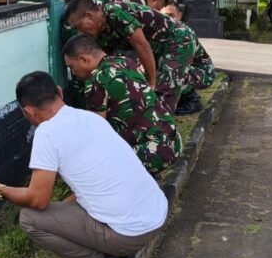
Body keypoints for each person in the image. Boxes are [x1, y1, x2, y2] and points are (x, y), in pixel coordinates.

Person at [0, 71, 167, 258]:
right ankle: (109, 247)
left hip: (130, 235)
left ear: (28, 111)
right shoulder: (90, 118)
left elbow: (38, 200)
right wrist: (60, 215)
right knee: (63, 207)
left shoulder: (47, 134)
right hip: (155, 215)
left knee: (28, 217)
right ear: (59, 91)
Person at [66, 0, 203, 113]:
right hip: (157, 46)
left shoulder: (115, 12)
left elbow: (142, 47)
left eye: (78, 26)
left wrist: (152, 84)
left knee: (163, 93)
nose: (80, 32)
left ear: (89, 16)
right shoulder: (99, 33)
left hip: (177, 39)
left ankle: (170, 121)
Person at [62, 34, 182, 174]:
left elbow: (97, 133)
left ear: (84, 59)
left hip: (153, 152)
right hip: (173, 142)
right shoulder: (125, 61)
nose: (73, 73)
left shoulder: (96, 81)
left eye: (72, 67)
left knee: (95, 165)